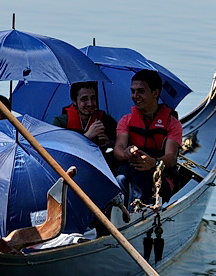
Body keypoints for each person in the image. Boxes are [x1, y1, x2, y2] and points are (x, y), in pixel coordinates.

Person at [114, 70, 183, 204]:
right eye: (133, 91)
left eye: (141, 91)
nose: (135, 96)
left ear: (155, 93)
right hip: (130, 174)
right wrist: (125, 154)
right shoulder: (126, 120)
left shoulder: (172, 123)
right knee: (120, 179)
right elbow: (119, 148)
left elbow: (171, 157)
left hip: (159, 177)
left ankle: (137, 211)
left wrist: (153, 162)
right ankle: (120, 211)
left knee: (144, 181)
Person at [52, 81, 118, 160]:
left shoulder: (105, 119)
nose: (90, 103)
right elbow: (57, 151)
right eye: (84, 99)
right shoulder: (60, 122)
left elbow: (120, 144)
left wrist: (109, 143)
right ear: (74, 101)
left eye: (93, 98)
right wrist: (87, 136)